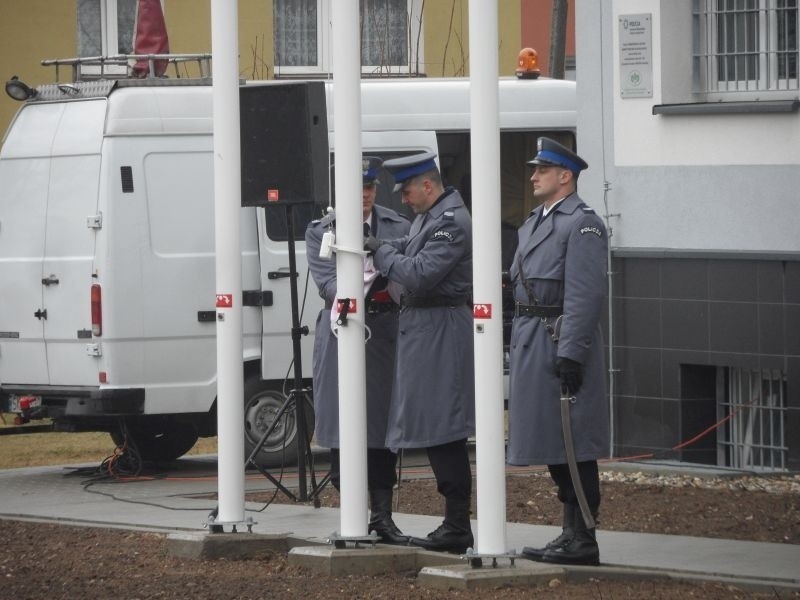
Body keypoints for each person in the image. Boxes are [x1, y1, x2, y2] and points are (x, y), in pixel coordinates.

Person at [363, 152, 475, 553]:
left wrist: (380, 253)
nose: (404, 200)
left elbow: (419, 274)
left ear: (427, 186)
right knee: (433, 425)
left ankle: (458, 524)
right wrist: (389, 255)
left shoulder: (450, 223)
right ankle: (454, 523)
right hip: (426, 330)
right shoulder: (431, 217)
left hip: (441, 330)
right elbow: (406, 257)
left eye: (407, 191)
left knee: (444, 426)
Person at [507, 137, 609, 566]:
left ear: (564, 176)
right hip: (533, 337)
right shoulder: (535, 221)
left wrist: (571, 355)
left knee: (573, 443)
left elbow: (584, 297)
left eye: (541, 170)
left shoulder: (582, 224)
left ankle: (583, 534)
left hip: (558, 339)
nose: (533, 177)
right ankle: (568, 532)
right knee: (551, 442)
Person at [305, 156, 410, 544]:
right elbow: (328, 283)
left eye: (370, 189)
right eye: (358, 189)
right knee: (341, 424)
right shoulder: (321, 232)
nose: (365, 196)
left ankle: (382, 516)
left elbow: (405, 271)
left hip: (384, 331)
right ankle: (352, 511)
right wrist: (361, 281)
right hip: (342, 329)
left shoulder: (398, 226)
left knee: (382, 428)